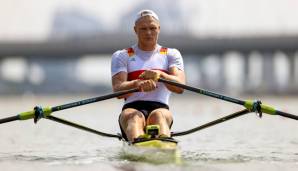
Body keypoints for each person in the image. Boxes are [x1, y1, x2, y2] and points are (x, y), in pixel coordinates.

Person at [111, 9, 185, 142]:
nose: (149, 32)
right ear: (135, 30)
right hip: (131, 108)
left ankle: (163, 145)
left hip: (160, 108)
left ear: (159, 29)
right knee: (134, 117)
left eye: (152, 28)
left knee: (158, 116)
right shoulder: (122, 55)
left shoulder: (171, 54)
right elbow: (118, 90)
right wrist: (137, 83)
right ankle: (139, 145)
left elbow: (180, 87)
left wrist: (160, 75)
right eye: (143, 29)